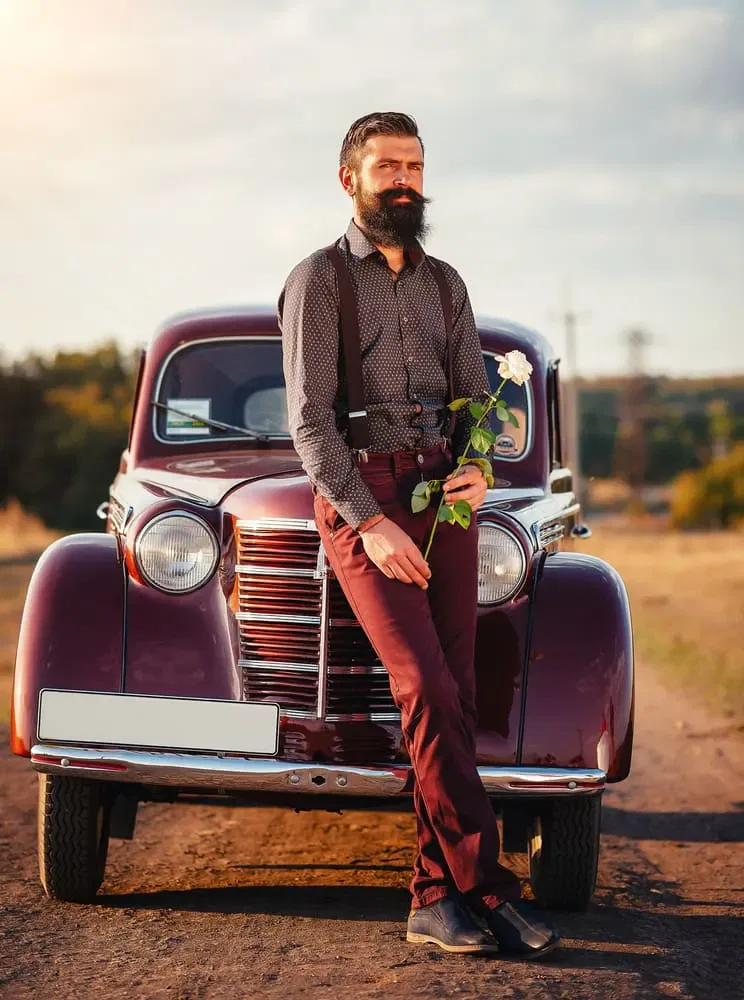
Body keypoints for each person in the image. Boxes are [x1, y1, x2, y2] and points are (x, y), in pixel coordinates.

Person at [278, 111, 559, 958]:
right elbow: (308, 425)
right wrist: (367, 522)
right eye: (386, 166)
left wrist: (482, 466)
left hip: (450, 492)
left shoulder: (447, 283)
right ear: (349, 179)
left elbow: (477, 396)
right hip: (365, 493)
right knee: (424, 687)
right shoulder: (319, 279)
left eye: (414, 165)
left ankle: (433, 899)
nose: (403, 179)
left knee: (460, 696)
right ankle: (489, 886)